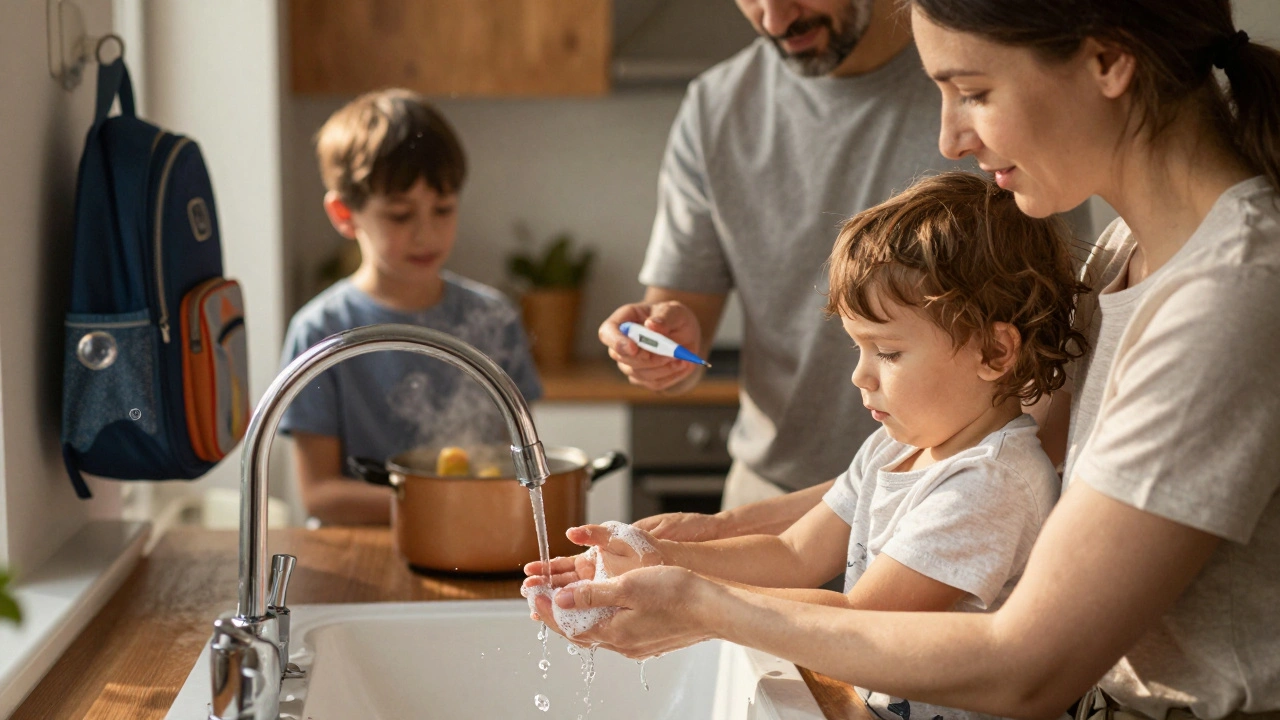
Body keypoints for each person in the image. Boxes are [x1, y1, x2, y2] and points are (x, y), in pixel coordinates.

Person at [531, 2, 1280, 719]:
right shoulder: (1122, 256)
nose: (952, 137)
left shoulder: (1229, 298)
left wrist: (699, 603)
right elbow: (973, 460)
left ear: (1109, 59)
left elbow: (1030, 666)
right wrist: (702, 542)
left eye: (973, 92)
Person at [529, 171, 1087, 720]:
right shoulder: (893, 449)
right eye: (858, 349)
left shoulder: (991, 483)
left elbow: (863, 617)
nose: (860, 376)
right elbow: (794, 553)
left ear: (994, 352)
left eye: (887, 352)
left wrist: (689, 596)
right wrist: (655, 561)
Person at [599, 0, 988, 531]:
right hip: (769, 505)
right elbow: (680, 317)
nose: (775, 20)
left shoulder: (976, 78)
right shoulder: (716, 107)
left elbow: (1052, 322)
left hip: (954, 492)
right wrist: (663, 347)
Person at [279, 89, 542, 526]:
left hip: (470, 540)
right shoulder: (320, 331)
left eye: (443, 209)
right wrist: (442, 503)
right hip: (356, 551)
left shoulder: (494, 319)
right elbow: (320, 495)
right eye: (400, 215)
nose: (427, 234)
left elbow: (507, 462)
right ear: (345, 214)